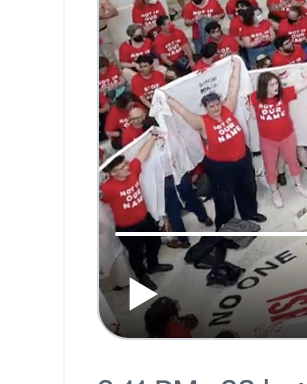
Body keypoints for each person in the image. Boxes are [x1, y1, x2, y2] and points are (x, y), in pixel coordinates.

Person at [162, 66, 265, 229]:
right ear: (205, 108)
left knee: (247, 188)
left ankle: (250, 213)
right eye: (212, 106)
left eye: (217, 104)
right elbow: (182, 111)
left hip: (242, 158)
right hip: (221, 166)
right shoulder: (201, 121)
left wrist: (235, 64)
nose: (216, 108)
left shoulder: (227, 109)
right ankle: (225, 224)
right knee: (224, 196)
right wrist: (166, 97)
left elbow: (233, 87)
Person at [100, 135, 173, 289]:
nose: (126, 167)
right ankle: (142, 277)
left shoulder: (132, 170)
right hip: (127, 228)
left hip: (144, 219)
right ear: (112, 173)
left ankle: (153, 265)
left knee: (155, 242)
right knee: (136, 255)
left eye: (125, 164)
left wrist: (152, 137)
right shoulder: (105, 189)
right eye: (121, 168)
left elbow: (141, 154)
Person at [250, 71, 307, 207]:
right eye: (272, 84)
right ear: (264, 87)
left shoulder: (283, 94)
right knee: (270, 167)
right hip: (267, 140)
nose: (276, 86)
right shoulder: (254, 97)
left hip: (287, 136)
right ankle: (275, 192)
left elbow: (304, 84)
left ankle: (299, 185)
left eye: (276, 83)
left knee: (293, 161)